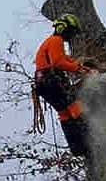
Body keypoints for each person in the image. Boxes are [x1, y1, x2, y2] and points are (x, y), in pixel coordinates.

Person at [34, 13, 92, 155]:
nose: (71, 36)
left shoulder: (50, 42)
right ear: (63, 28)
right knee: (75, 105)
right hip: (53, 80)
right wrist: (78, 68)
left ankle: (78, 148)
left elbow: (66, 60)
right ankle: (93, 136)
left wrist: (84, 68)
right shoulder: (55, 40)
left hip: (43, 85)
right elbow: (58, 62)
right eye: (71, 31)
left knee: (65, 113)